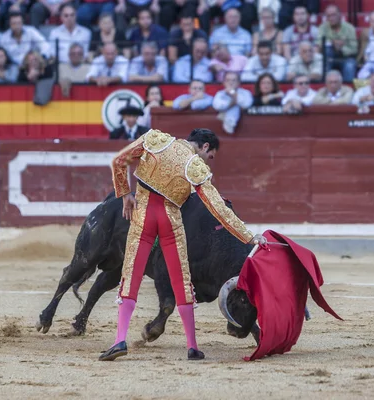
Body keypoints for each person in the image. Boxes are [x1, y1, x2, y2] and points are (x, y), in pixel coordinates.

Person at [99, 128, 267, 362]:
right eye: (209, 155)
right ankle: (192, 347)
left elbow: (118, 161)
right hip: (170, 220)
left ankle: (119, 341)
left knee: (131, 275)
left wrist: (125, 194)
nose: (208, 160)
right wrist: (249, 236)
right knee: (182, 281)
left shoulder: (154, 139)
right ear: (205, 146)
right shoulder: (195, 166)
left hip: (144, 215)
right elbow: (218, 208)